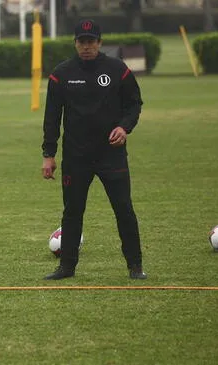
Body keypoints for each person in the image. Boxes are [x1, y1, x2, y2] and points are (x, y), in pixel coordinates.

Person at [41, 19, 146, 280]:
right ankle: (66, 268)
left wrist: (124, 127)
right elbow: (52, 118)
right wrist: (48, 154)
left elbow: (134, 104)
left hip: (111, 154)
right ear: (75, 43)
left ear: (100, 43)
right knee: (72, 211)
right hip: (77, 157)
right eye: (81, 41)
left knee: (124, 208)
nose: (86, 46)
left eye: (91, 41)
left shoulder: (117, 70)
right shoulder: (60, 74)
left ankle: (135, 266)